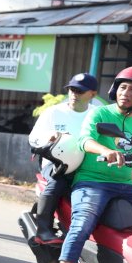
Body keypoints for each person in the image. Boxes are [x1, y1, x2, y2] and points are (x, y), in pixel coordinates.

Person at [52, 66, 132, 263]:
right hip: (93, 181)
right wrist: (106, 150)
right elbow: (85, 140)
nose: (126, 92)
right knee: (81, 224)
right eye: (123, 87)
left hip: (126, 183)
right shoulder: (101, 114)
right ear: (115, 90)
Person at [28, 73, 98, 244]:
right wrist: (50, 139)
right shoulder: (53, 112)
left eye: (80, 91)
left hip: (86, 166)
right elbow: (33, 138)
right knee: (57, 182)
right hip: (55, 163)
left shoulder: (97, 115)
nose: (74, 94)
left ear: (93, 95)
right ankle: (43, 230)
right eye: (72, 90)